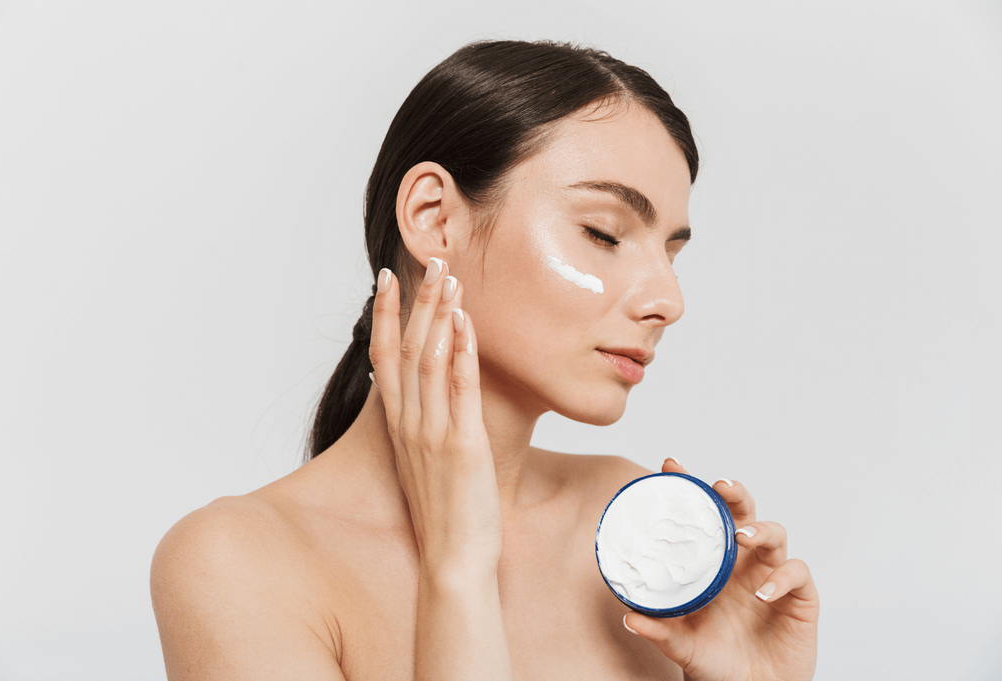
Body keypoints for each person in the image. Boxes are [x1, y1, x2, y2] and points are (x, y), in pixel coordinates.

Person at [150, 39, 819, 680]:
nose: (667, 301)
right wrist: (459, 567)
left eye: (671, 253)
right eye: (603, 232)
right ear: (435, 218)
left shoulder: (632, 533)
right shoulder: (237, 563)